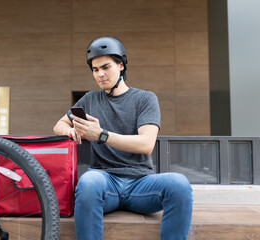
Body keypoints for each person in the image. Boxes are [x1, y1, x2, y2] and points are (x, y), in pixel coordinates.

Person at [53, 36, 193, 240]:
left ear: (121, 65)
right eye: (95, 69)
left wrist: (101, 135)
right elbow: (59, 124)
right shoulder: (90, 99)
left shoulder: (145, 99)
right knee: (88, 182)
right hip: (104, 181)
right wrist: (70, 131)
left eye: (105, 67)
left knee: (179, 184)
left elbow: (146, 144)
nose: (100, 74)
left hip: (142, 185)